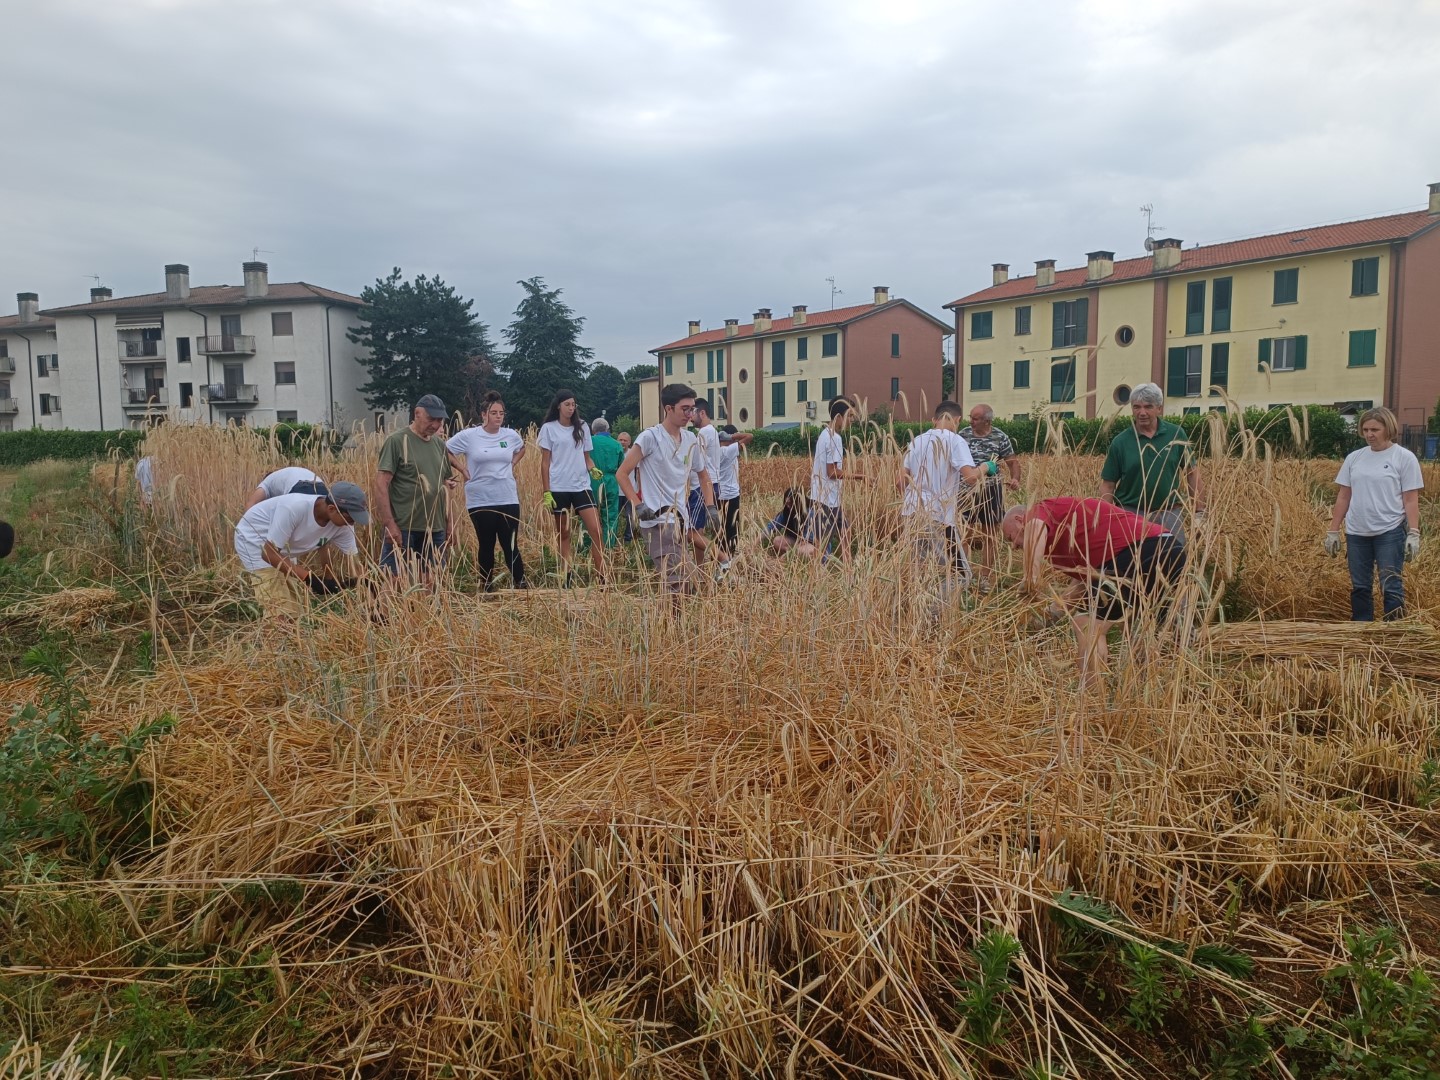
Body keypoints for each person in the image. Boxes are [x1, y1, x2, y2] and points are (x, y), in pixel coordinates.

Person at [1002, 498, 1185, 689]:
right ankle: (1153, 687)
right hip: (1169, 548)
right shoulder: (1064, 539)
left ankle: (1090, 701)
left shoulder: (1039, 510)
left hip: (1142, 549)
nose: (1013, 547)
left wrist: (1031, 578)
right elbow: (1084, 584)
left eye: (1010, 537)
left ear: (1019, 520)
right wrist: (1046, 618)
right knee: (1132, 626)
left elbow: (1036, 529)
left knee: (1086, 624)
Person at [617, 382, 715, 601]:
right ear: (668, 408)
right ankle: (668, 630)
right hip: (657, 522)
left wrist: (711, 507)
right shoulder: (650, 437)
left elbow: (704, 476)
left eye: (692, 409)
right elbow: (622, 474)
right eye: (685, 409)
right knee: (677, 584)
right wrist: (638, 504)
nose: (690, 414)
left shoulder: (691, 440)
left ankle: (670, 629)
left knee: (687, 584)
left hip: (681, 521)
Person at [1325, 406, 1423, 620]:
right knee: (1360, 587)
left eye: (1375, 430)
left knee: (1391, 585)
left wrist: (1413, 532)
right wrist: (1333, 530)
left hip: (1389, 531)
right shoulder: (1354, 458)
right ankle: (1363, 631)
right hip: (1357, 532)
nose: (1369, 434)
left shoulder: (1404, 458)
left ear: (1388, 429)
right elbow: (1344, 496)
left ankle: (1395, 633)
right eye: (1366, 429)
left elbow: (1410, 499)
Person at [233, 483, 370, 620]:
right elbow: (269, 554)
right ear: (332, 508)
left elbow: (355, 564)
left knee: (294, 610)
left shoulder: (344, 526)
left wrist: (369, 586)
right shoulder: (294, 508)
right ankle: (274, 639)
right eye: (350, 518)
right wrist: (310, 579)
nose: (352, 524)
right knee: (279, 609)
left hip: (283, 547)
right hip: (255, 541)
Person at [376, 393, 465, 581]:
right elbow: (381, 484)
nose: (436, 425)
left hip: (435, 528)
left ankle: (424, 612)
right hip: (404, 526)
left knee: (431, 580)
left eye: (439, 420)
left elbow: (444, 488)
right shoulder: (396, 441)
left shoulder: (440, 446)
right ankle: (383, 612)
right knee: (393, 580)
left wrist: (450, 524)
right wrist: (390, 524)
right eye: (431, 419)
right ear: (417, 414)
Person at [1099, 383, 1203, 542]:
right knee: (1133, 563)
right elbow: (1108, 485)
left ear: (1159, 408)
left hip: (1169, 514)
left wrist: (1199, 513)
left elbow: (1191, 473)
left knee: (1174, 561)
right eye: (1136, 407)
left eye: (1148, 406)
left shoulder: (1176, 434)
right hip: (1132, 514)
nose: (1142, 412)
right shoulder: (1120, 442)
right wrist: (1106, 519)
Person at [446, 390, 527, 590]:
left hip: (507, 496)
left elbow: (522, 448)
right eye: (494, 413)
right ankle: (486, 583)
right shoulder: (469, 436)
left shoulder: (510, 435)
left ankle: (520, 582)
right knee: (487, 543)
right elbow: (445, 450)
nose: (498, 416)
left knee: (510, 543)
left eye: (501, 413)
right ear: (484, 415)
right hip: (480, 498)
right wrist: (462, 468)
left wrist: (512, 464)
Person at [902, 401, 987, 585]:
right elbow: (970, 478)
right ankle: (935, 612)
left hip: (910, 514)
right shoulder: (955, 441)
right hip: (937, 518)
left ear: (934, 420)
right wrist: (986, 467)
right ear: (957, 420)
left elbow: (900, 482)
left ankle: (913, 611)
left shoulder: (916, 441)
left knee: (919, 571)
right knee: (962, 575)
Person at [537, 389, 605, 582]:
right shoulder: (549, 428)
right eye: (567, 404)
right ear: (558, 406)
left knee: (596, 530)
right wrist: (546, 491)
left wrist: (592, 469)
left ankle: (602, 574)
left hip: (581, 486)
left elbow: (587, 458)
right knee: (564, 533)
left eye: (573, 405)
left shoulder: (582, 426)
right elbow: (545, 463)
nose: (571, 408)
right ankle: (566, 575)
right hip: (559, 487)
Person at [958, 404, 1021, 590]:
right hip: (966, 490)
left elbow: (1013, 462)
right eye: (971, 417)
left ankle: (984, 577)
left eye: (975, 419)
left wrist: (1015, 479)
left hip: (992, 490)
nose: (971, 421)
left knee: (990, 534)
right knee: (964, 532)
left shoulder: (1000, 437)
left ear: (987, 421)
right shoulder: (963, 435)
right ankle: (965, 574)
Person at [806, 397, 864, 559]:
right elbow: (832, 472)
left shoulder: (824, 434)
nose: (851, 420)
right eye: (849, 416)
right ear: (838, 417)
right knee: (823, 545)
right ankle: (825, 574)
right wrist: (861, 477)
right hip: (827, 501)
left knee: (844, 534)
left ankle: (848, 574)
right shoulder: (834, 438)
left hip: (824, 498)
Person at [684, 399, 724, 566]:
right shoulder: (713, 431)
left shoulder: (703, 434)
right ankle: (699, 568)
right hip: (712, 484)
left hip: (701, 487)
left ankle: (723, 558)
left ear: (702, 413)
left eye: (693, 412)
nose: (690, 417)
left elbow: (695, 460)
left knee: (690, 532)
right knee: (698, 530)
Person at [712, 423, 754, 571]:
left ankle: (720, 564)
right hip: (729, 497)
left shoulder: (717, 451)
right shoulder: (726, 451)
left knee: (720, 532)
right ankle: (726, 564)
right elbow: (749, 436)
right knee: (731, 534)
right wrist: (732, 436)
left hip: (720, 496)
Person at [588, 417, 626, 547]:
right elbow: (622, 466)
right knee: (610, 515)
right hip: (611, 481)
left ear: (593, 430)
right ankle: (608, 546)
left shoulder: (589, 442)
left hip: (592, 479)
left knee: (588, 514)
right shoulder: (617, 444)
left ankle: (587, 547)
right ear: (607, 429)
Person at [244, 465, 327, 511]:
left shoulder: (267, 482)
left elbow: (251, 503)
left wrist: (247, 526)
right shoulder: (283, 475)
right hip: (322, 489)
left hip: (300, 488)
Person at [763, 488, 812, 556]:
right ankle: (793, 556)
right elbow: (770, 527)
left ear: (798, 502)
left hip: (811, 544)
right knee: (777, 541)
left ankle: (791, 556)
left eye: (790, 504)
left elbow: (807, 540)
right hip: (796, 541)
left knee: (804, 550)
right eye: (786, 504)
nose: (788, 506)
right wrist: (754, 545)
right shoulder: (786, 512)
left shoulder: (810, 513)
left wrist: (787, 555)